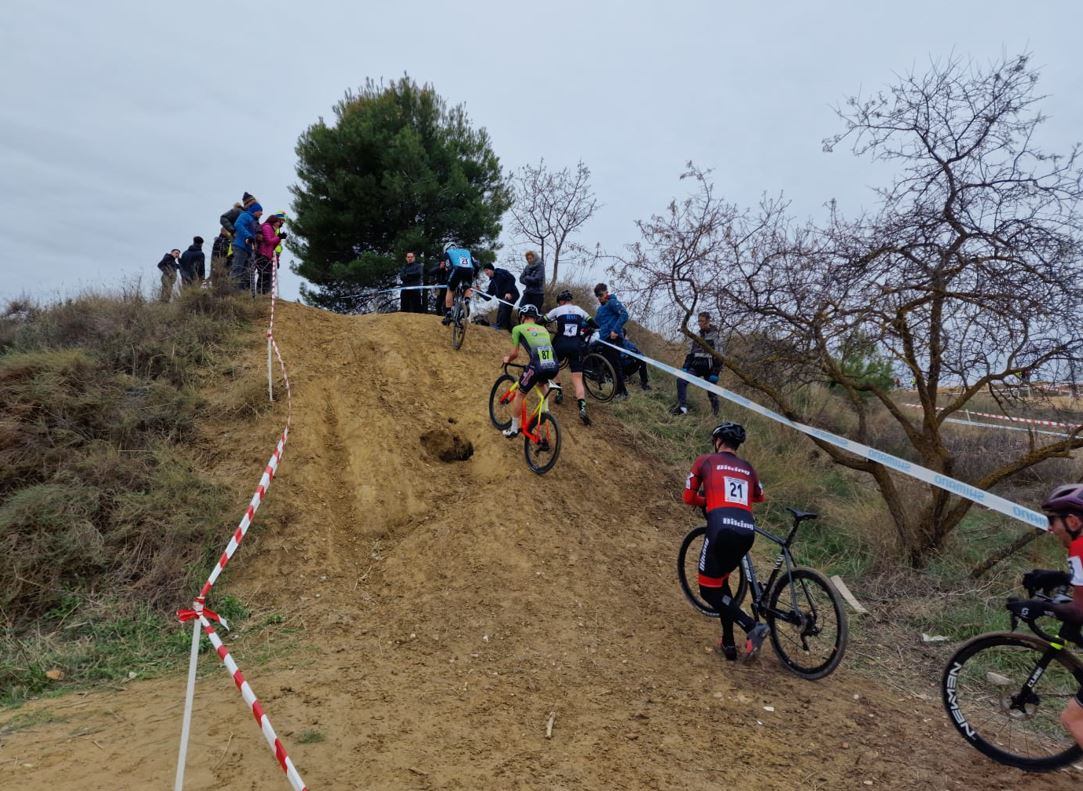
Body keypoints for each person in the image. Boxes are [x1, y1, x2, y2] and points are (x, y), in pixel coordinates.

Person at [684, 421, 769, 662]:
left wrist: (709, 499)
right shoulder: (748, 467)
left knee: (708, 591)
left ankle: (751, 625)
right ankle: (728, 643)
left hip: (720, 529)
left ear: (718, 441)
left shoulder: (705, 461)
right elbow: (760, 496)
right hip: (746, 531)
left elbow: (688, 497)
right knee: (721, 584)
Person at [1009, 484, 1083, 748]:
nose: (1050, 529)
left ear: (1073, 520)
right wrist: (1061, 577)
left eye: (1053, 521)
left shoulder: (1080, 547)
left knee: (1074, 718)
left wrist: (1040, 607)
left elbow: (1078, 611)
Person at [500, 304, 560, 438]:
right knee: (541, 383)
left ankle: (514, 428)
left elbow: (515, 353)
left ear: (522, 316)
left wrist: (507, 359)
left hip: (537, 366)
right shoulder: (543, 329)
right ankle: (545, 412)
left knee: (520, 394)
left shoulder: (518, 328)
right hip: (554, 366)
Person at [545, 290, 594, 425]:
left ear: (561, 301)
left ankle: (559, 392)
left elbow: (543, 320)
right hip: (576, 345)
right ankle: (582, 407)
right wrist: (584, 334)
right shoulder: (580, 310)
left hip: (560, 344)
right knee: (577, 378)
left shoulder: (558, 309)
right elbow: (593, 324)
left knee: (552, 366)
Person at [672, 311, 722, 416]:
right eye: (699, 321)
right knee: (681, 380)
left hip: (710, 370)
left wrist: (715, 373)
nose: (700, 323)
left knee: (711, 392)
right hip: (695, 367)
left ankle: (715, 414)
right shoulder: (696, 336)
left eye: (702, 321)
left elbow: (720, 356)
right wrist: (685, 367)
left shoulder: (716, 336)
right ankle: (682, 408)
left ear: (708, 321)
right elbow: (690, 354)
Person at [593, 282, 630, 401]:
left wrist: (615, 330)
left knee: (615, 365)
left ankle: (622, 393)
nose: (599, 298)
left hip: (614, 338)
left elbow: (624, 314)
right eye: (597, 296)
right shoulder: (600, 309)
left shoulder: (612, 302)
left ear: (606, 292)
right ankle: (601, 379)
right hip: (603, 339)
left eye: (601, 294)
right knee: (605, 362)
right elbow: (595, 323)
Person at [441, 243, 479, 324]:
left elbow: (449, 265)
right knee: (467, 287)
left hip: (456, 269)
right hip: (469, 270)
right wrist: (474, 275)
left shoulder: (447, 253)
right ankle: (467, 302)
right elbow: (477, 265)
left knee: (450, 290)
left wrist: (448, 278)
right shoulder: (466, 251)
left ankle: (448, 314)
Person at [230, 201, 263, 290]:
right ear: (255, 210)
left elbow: (253, 234)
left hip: (248, 249)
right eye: (260, 211)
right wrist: (248, 235)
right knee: (237, 268)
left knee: (244, 271)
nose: (261, 214)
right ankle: (231, 290)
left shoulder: (254, 220)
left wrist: (255, 241)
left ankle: (240, 292)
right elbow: (238, 224)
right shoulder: (245, 216)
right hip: (240, 246)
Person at [481, 262, 519, 331]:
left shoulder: (500, 272)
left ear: (491, 269)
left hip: (513, 294)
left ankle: (500, 326)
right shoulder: (492, 284)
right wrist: (480, 292)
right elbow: (488, 297)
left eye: (487, 270)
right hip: (503, 299)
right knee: (504, 309)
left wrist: (508, 292)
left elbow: (512, 278)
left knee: (503, 304)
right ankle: (508, 328)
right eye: (484, 271)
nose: (486, 273)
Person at [255, 214, 285, 295]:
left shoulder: (272, 229)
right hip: (263, 253)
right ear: (273, 221)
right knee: (263, 275)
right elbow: (268, 241)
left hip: (268, 255)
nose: (280, 224)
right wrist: (278, 237)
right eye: (278, 222)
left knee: (267, 276)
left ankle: (264, 294)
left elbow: (273, 245)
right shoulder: (267, 227)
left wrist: (279, 238)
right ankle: (259, 293)